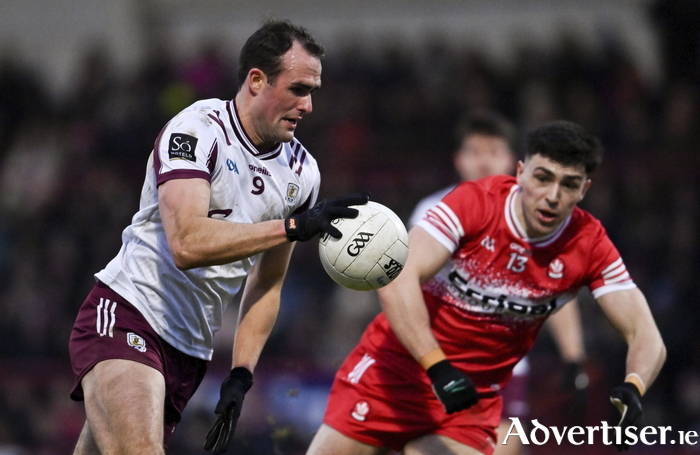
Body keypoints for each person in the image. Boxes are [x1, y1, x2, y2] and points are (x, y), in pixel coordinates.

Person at [68, 19, 368, 455]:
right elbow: (186, 243)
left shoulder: (303, 173)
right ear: (256, 80)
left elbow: (267, 282)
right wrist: (290, 228)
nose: (308, 106)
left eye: (313, 92)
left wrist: (242, 373)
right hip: (129, 315)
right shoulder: (197, 131)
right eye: (299, 89)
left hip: (189, 352)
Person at [306, 120, 666, 455]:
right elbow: (398, 275)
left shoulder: (588, 243)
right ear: (521, 172)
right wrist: (438, 366)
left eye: (569, 184)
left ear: (584, 189)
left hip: (471, 400)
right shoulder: (474, 203)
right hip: (395, 374)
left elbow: (644, 332)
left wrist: (635, 385)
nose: (553, 196)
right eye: (543, 178)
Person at [408, 111, 589, 455]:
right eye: (474, 151)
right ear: (458, 160)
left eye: (493, 150)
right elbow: (406, 287)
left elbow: (557, 292)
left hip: (504, 366)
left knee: (503, 446)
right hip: (440, 358)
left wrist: (573, 358)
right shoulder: (431, 211)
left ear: (512, 161)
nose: (483, 160)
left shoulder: (539, 220)